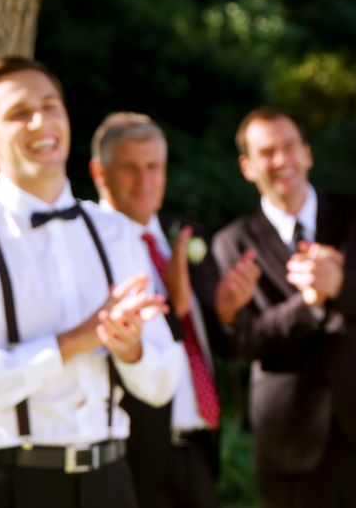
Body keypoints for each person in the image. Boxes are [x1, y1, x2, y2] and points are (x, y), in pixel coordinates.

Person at [0, 56, 182, 507]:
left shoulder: (118, 234)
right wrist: (71, 342)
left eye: (51, 106)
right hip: (12, 485)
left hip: (110, 482)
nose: (41, 121)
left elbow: (164, 380)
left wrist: (131, 349)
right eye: (19, 113)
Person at [211, 107, 356, 508]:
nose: (282, 160)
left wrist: (341, 285)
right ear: (247, 167)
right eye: (267, 152)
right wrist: (309, 306)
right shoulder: (232, 244)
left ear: (307, 153)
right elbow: (240, 344)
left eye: (290, 147)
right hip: (288, 440)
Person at [88, 111, 259, 508]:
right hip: (133, 454)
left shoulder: (183, 236)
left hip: (199, 449)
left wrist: (228, 312)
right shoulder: (89, 245)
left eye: (154, 167)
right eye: (131, 168)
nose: (145, 181)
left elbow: (222, 343)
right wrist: (175, 309)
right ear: (100, 172)